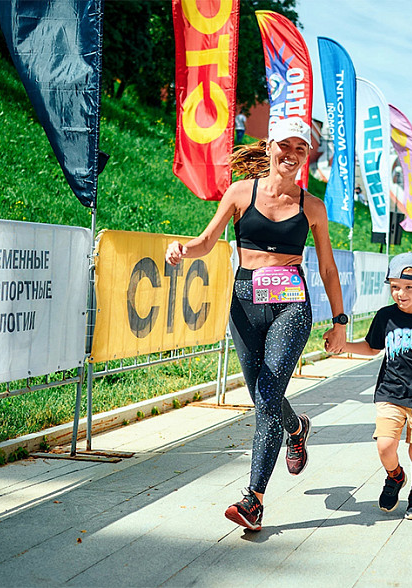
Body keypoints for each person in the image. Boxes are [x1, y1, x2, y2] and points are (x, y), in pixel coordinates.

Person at [166, 117, 348, 532]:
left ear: (306, 157)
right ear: (268, 148)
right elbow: (207, 241)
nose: (293, 155)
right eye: (286, 146)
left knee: (267, 396)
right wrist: (182, 249)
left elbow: (328, 268)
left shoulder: (311, 207)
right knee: (261, 395)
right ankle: (296, 427)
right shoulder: (239, 193)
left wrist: (339, 322)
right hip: (244, 302)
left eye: (301, 149)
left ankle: (254, 500)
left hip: (291, 306)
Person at [335, 253, 412, 520]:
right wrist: (343, 346)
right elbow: (371, 347)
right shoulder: (385, 316)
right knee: (385, 446)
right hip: (389, 393)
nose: (401, 293)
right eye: (395, 287)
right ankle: (395, 476)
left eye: (409, 287)